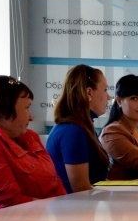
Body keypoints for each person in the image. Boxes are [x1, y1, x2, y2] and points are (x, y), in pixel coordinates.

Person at [0, 76, 66, 209]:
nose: (31, 117)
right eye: (27, 108)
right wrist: (59, 210)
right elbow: (8, 201)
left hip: (46, 215)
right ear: (3, 112)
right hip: (16, 219)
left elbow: (55, 181)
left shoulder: (30, 136)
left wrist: (65, 207)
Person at [45, 64, 111, 193]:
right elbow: (81, 188)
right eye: (105, 90)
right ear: (89, 92)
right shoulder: (72, 131)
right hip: (73, 205)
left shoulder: (82, 126)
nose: (108, 96)